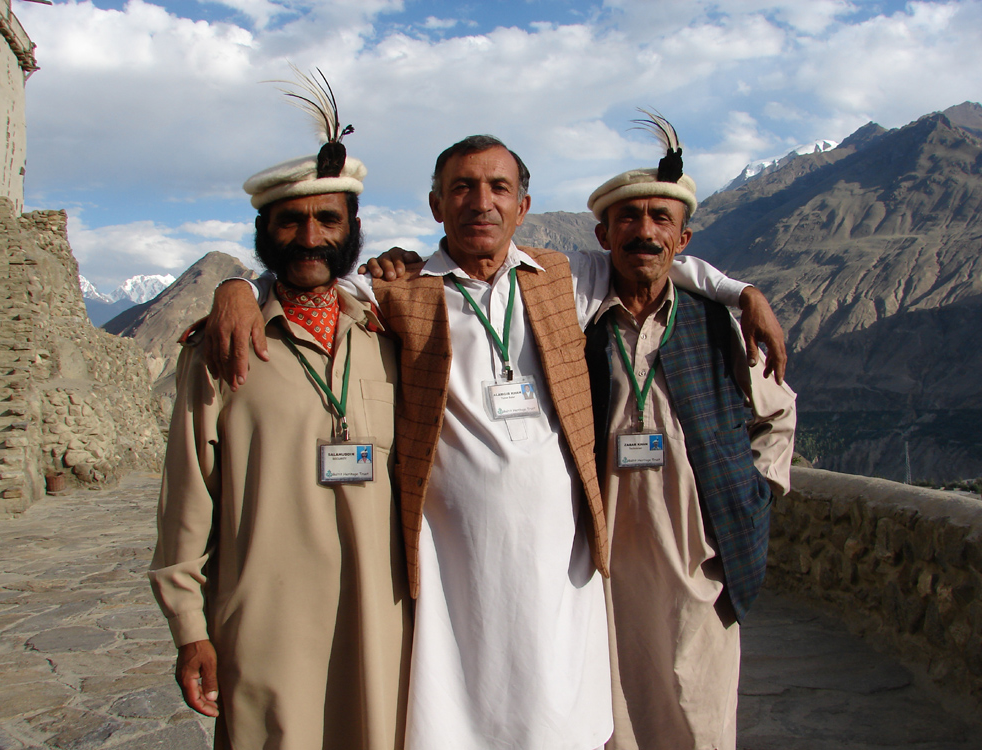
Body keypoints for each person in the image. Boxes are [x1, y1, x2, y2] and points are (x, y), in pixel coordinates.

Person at [203, 134, 787, 750]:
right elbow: (310, 280)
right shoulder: (398, 290)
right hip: (454, 563)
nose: (480, 202)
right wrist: (239, 286)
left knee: (559, 714)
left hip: (563, 560)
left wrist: (742, 292)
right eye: (462, 188)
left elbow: (653, 253)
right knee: (462, 711)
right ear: (436, 206)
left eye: (498, 188)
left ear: (522, 205)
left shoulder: (563, 276)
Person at [148, 73, 411, 750]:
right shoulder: (222, 350)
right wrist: (189, 626)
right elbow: (186, 502)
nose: (310, 236)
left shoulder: (391, 340)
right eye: (290, 221)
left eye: (329, 219)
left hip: (383, 626)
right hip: (266, 628)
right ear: (263, 230)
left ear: (352, 230)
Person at [583, 112, 796, 750]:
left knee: (699, 716)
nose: (643, 232)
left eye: (660, 220)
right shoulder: (576, 323)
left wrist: (755, 495)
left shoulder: (720, 322)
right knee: (614, 718)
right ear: (603, 234)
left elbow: (779, 414)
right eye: (628, 219)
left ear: (683, 239)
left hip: (701, 566)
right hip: (601, 571)